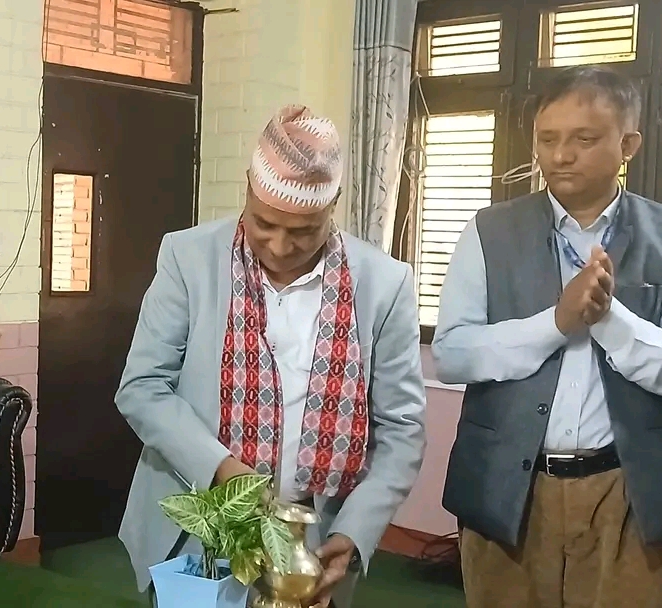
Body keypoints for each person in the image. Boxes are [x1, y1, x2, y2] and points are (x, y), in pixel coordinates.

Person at [116, 105, 426, 608]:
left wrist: (353, 533)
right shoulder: (188, 258)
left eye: (303, 231)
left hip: (313, 539)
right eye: (264, 224)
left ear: (334, 205)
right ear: (247, 187)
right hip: (200, 528)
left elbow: (402, 429)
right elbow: (142, 387)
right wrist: (223, 469)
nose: (279, 246)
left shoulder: (383, 284)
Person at [434, 65, 662, 607]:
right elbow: (452, 355)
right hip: (508, 488)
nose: (560, 156)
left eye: (584, 139)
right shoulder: (488, 231)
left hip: (628, 492)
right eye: (547, 139)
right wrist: (556, 323)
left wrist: (609, 319)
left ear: (627, 145)